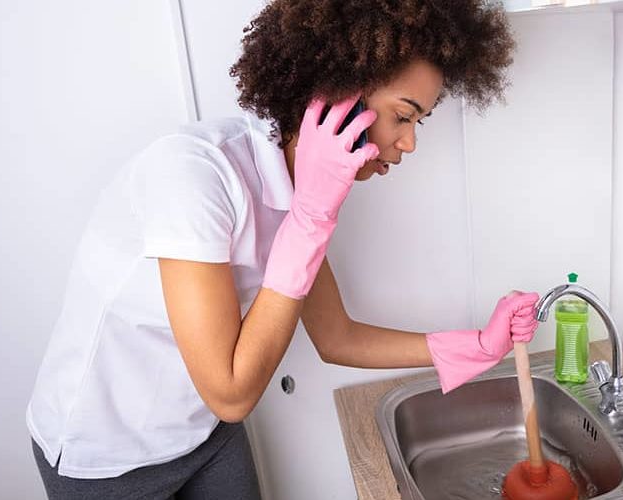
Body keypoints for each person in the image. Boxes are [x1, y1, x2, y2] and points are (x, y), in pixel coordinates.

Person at [27, 1, 530, 498]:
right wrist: (309, 218)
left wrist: (478, 347)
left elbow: (337, 337)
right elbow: (230, 392)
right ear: (338, 97)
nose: (410, 143)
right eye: (404, 116)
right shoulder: (194, 176)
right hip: (106, 456)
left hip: (204, 434)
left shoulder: (302, 193)